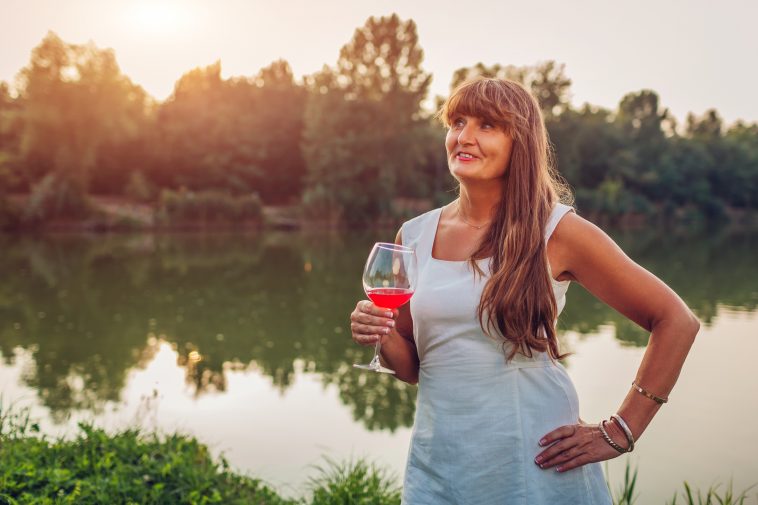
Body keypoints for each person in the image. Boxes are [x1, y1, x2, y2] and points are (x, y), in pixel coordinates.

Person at [349, 77, 699, 504]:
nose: (465, 136)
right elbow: (413, 368)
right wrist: (381, 333)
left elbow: (676, 320)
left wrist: (622, 430)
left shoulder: (557, 231)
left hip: (535, 463)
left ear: (521, 142)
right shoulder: (414, 235)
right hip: (438, 463)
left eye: (487, 126)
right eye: (457, 121)